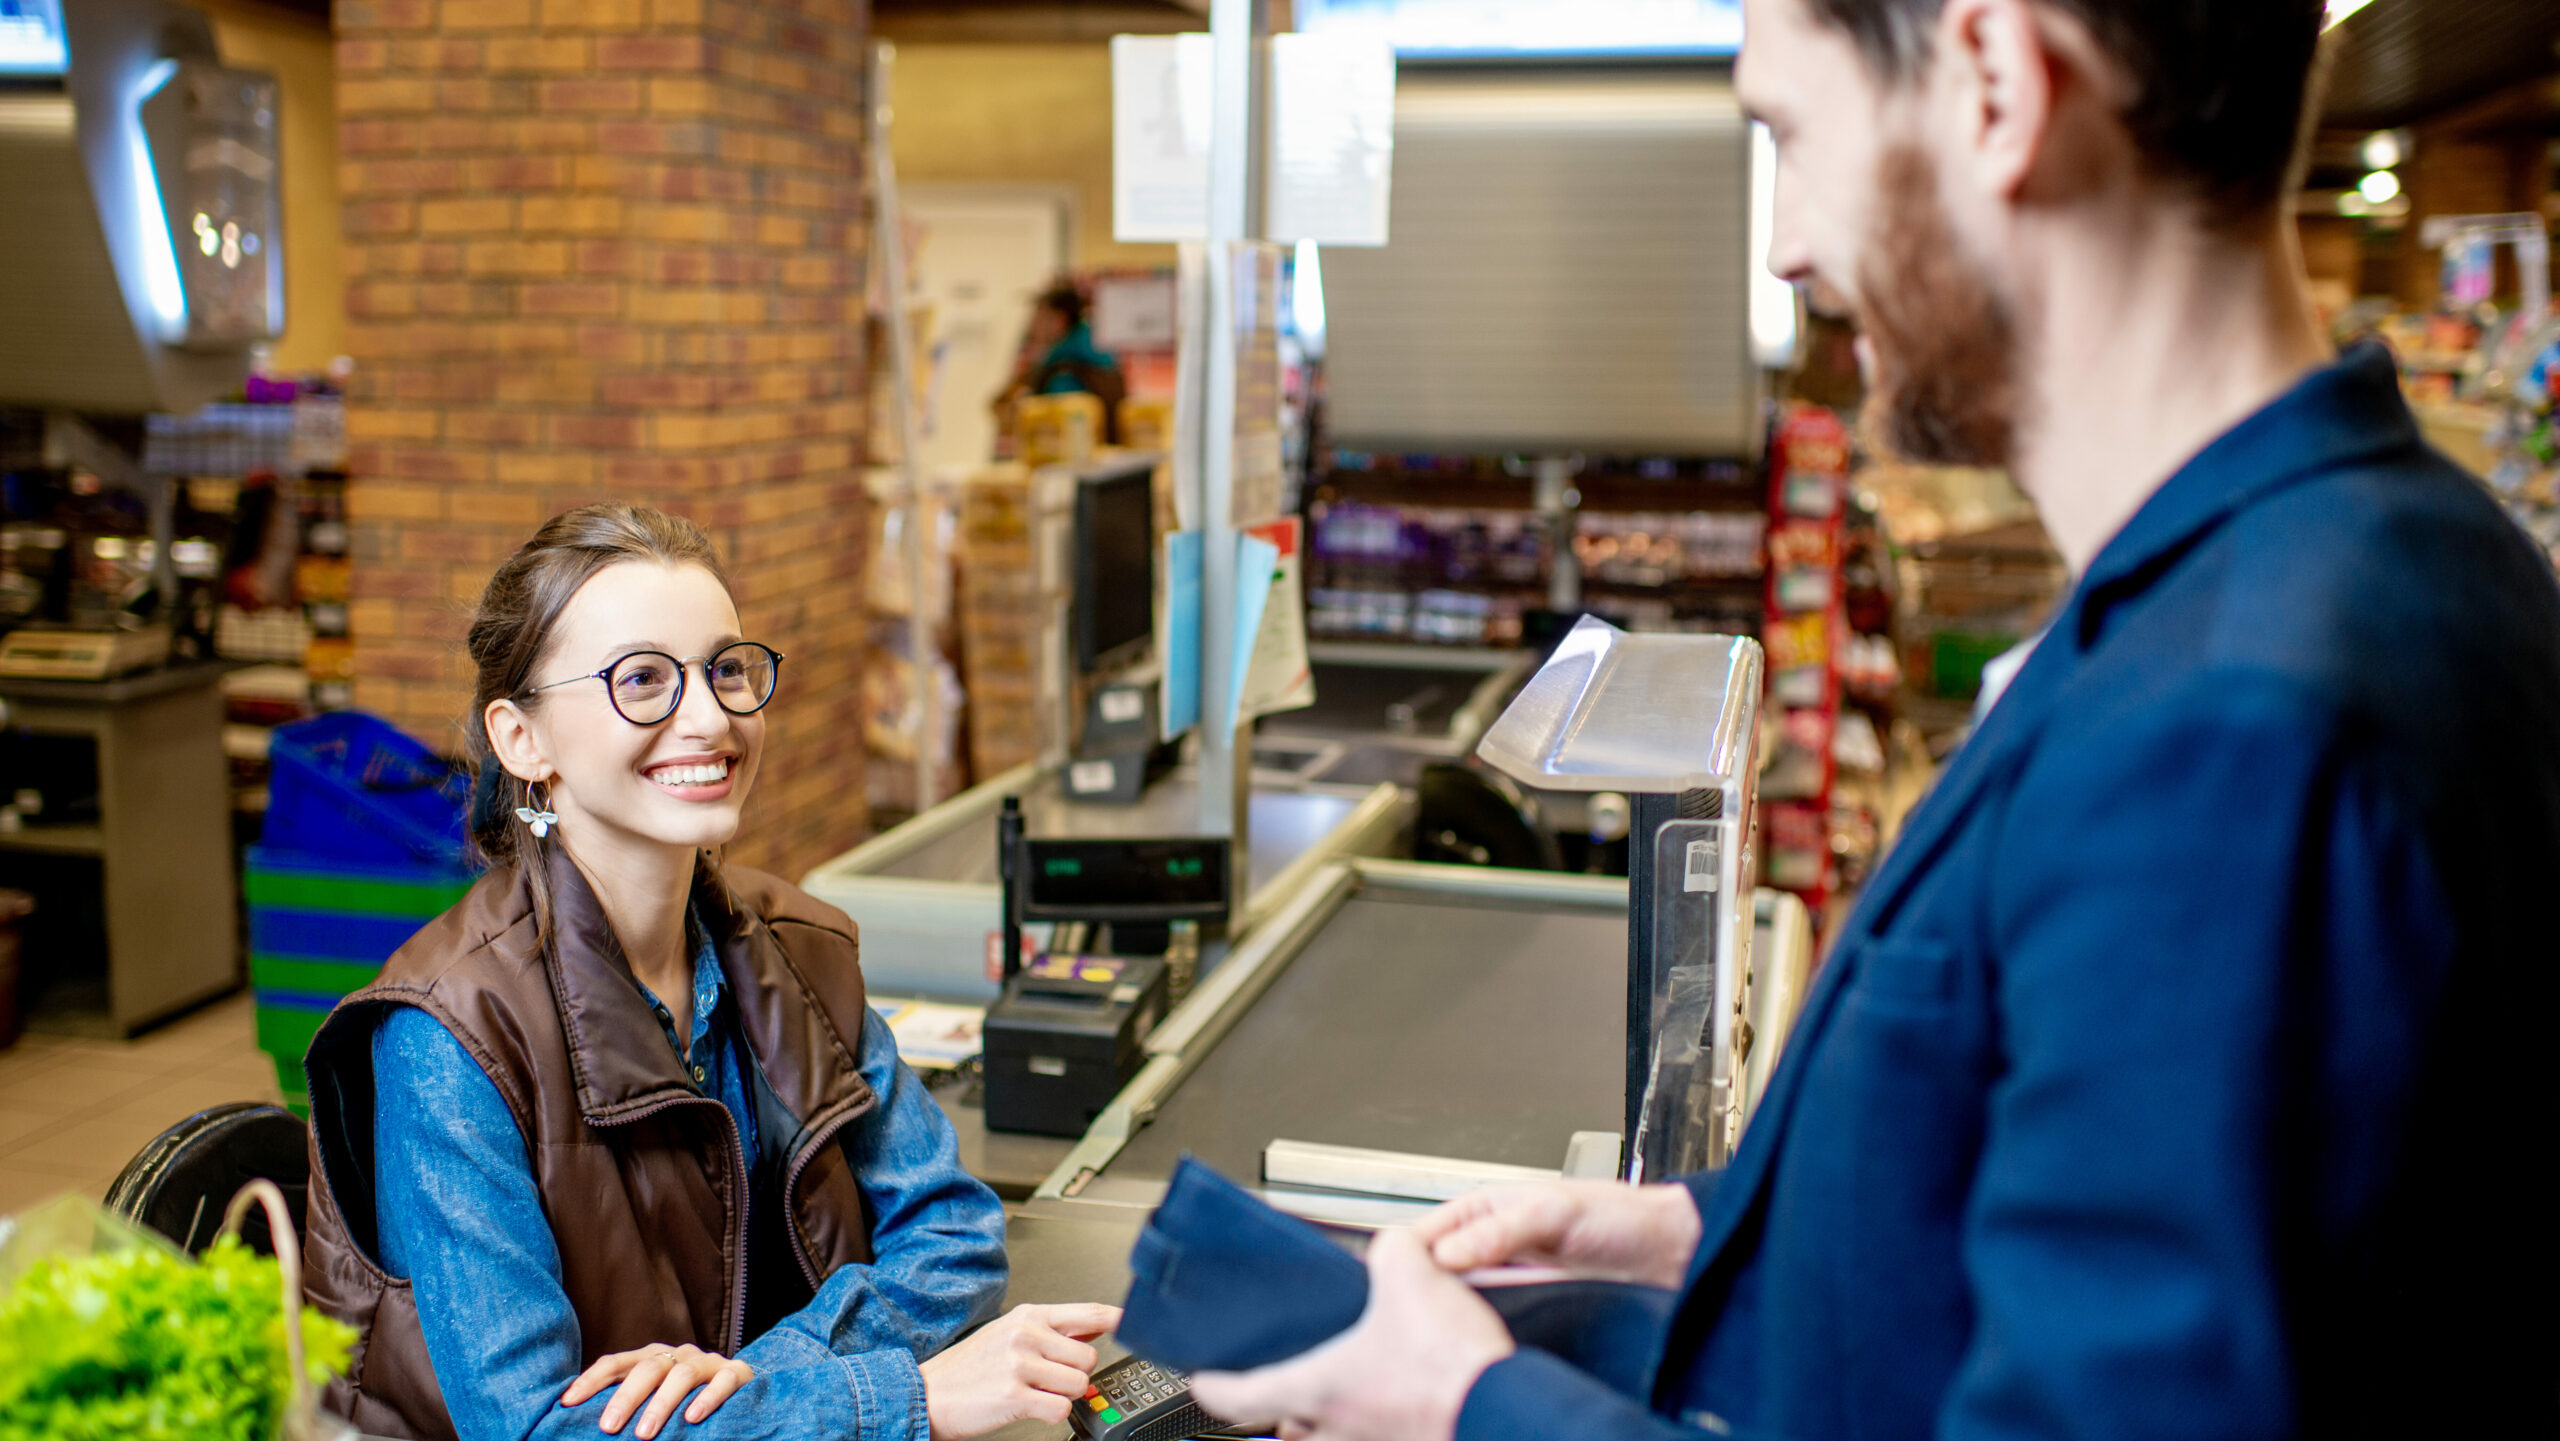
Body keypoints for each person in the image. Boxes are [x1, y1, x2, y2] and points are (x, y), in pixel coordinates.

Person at [1189, 0, 2560, 1437]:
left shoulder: (2233, 729)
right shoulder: (2370, 556)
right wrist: (1701, 1237)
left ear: (1995, 84)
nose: (1785, 242)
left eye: (1789, 130)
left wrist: (1466, 1404)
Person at [299, 505, 1120, 1441]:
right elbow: (535, 1430)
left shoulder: (801, 950)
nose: (711, 717)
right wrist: (903, 1398)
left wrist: (750, 1382)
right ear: (523, 740)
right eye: (641, 678)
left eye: (726, 670)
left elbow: (955, 1237)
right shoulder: (447, 1037)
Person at [995, 281, 1127, 443]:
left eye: (1039, 317)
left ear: (1059, 320)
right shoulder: (1095, 348)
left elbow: (1057, 431)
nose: (1032, 325)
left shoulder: (1064, 370)